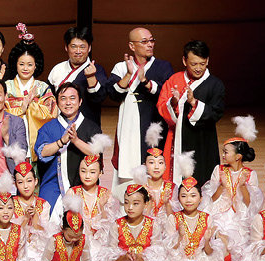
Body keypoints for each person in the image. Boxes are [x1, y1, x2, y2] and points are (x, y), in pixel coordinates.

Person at [107, 27, 175, 186]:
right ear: (132, 46)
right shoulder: (121, 67)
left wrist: (146, 81)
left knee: (153, 165)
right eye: (144, 42)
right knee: (127, 165)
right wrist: (129, 75)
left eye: (152, 40)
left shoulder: (163, 66)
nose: (150, 44)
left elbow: (167, 95)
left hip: (153, 125)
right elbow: (113, 94)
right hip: (128, 126)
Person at [157, 40, 226, 185]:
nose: (198, 68)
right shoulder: (174, 79)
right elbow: (161, 105)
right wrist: (173, 103)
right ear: (184, 60)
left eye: (202, 63)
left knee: (202, 178)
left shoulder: (215, 84)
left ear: (207, 60)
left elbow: (216, 112)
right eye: (194, 64)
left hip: (203, 140)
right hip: (177, 137)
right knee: (176, 177)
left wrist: (194, 103)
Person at [97, 186, 171, 261]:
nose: (130, 207)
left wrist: (141, 258)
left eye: (135, 203)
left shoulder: (153, 225)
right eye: (126, 203)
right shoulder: (117, 225)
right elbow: (108, 254)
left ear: (146, 204)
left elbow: (159, 254)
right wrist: (124, 257)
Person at [35, 83, 102, 210]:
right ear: (57, 102)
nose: (68, 103)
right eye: (63, 98)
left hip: (84, 184)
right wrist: (61, 141)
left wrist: (75, 140)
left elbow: (97, 155)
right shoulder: (48, 127)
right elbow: (42, 152)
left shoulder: (92, 127)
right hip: (53, 184)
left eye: (72, 98)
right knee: (45, 216)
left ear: (80, 101)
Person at [166, 175, 231, 261]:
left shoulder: (207, 218)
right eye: (184, 196)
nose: (188, 200)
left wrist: (207, 240)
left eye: (193, 196)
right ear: (178, 199)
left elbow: (208, 252)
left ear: (201, 198)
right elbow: (169, 251)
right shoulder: (173, 218)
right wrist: (178, 237)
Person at [3, 23, 56, 162]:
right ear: (15, 64)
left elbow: (51, 113)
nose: (25, 68)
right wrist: (22, 107)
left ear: (36, 65)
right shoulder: (7, 87)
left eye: (30, 64)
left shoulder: (43, 88)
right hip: (12, 140)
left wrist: (30, 106)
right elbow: (1, 113)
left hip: (36, 139)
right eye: (21, 64)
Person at [46, 26, 108, 126]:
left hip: (87, 127)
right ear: (66, 47)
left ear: (89, 48)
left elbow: (99, 99)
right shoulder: (57, 69)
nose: (78, 51)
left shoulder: (97, 70)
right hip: (59, 125)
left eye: (82, 47)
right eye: (73, 46)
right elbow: (48, 98)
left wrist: (91, 77)